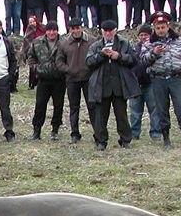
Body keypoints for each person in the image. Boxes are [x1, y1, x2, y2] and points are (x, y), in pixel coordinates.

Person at [140, 12, 181, 147]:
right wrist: (154, 53)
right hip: (158, 80)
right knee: (161, 110)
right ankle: (166, 138)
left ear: (168, 26)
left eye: (163, 27)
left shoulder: (180, 41)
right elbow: (142, 60)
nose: (160, 30)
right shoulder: (148, 43)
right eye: (158, 28)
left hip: (175, 78)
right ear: (154, 28)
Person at [85, 20, 139, 150]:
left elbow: (134, 60)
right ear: (101, 31)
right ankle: (101, 141)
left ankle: (125, 140)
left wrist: (119, 56)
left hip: (119, 85)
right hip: (101, 86)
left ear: (115, 30)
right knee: (100, 116)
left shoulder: (124, 43)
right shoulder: (96, 46)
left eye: (111, 30)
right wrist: (101, 55)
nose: (108, 33)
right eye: (105, 30)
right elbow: (88, 62)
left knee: (121, 115)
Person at [56, 17, 96, 143]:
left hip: (88, 79)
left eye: (78, 28)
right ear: (70, 29)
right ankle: (74, 133)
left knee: (92, 106)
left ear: (82, 27)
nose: (76, 31)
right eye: (73, 29)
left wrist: (91, 68)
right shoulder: (64, 43)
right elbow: (59, 61)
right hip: (72, 79)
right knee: (74, 107)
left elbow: (97, 57)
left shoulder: (92, 41)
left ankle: (98, 133)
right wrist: (68, 69)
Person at [28, 22, 65, 140]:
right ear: (46, 31)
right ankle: (36, 130)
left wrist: (64, 69)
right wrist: (35, 68)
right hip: (43, 79)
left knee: (58, 105)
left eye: (54, 30)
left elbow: (69, 57)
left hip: (59, 79)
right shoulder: (37, 42)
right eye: (49, 30)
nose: (52, 33)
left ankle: (55, 130)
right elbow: (30, 56)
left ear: (57, 31)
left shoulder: (64, 43)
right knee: (40, 105)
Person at [129, 24, 161, 140]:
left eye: (146, 35)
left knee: (154, 110)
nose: (143, 37)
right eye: (141, 35)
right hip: (135, 84)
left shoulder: (156, 47)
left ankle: (156, 133)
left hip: (151, 83)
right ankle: (133, 134)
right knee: (135, 112)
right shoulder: (134, 48)